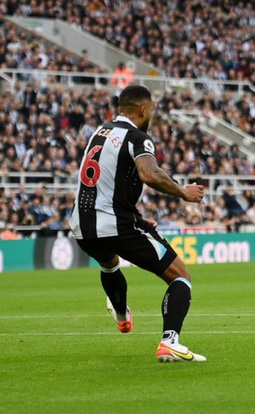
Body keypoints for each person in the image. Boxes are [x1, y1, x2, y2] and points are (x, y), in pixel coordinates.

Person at [69, 85, 207, 362]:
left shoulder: (98, 133)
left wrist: (136, 216)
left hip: (82, 226)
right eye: (153, 109)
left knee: (109, 263)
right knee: (180, 276)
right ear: (143, 109)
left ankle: (121, 314)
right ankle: (170, 341)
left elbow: (107, 184)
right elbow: (149, 173)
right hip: (116, 224)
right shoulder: (137, 137)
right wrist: (183, 192)